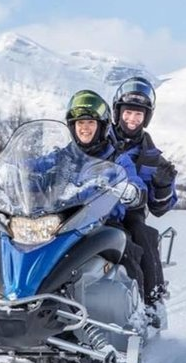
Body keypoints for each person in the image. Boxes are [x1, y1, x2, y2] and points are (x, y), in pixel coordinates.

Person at [63, 89, 148, 288]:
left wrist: (131, 191)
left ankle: (141, 310)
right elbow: (37, 167)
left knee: (129, 252)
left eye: (90, 122)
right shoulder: (63, 156)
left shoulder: (118, 158)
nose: (84, 128)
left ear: (101, 126)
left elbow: (135, 182)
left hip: (103, 223)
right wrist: (16, 171)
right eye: (80, 123)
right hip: (63, 222)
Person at [109, 76, 177, 307]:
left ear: (146, 118)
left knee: (142, 234)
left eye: (138, 114)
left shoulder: (153, 158)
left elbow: (160, 208)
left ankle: (151, 299)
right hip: (86, 205)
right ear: (118, 112)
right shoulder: (98, 138)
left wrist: (163, 185)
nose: (132, 118)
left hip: (129, 212)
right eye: (128, 112)